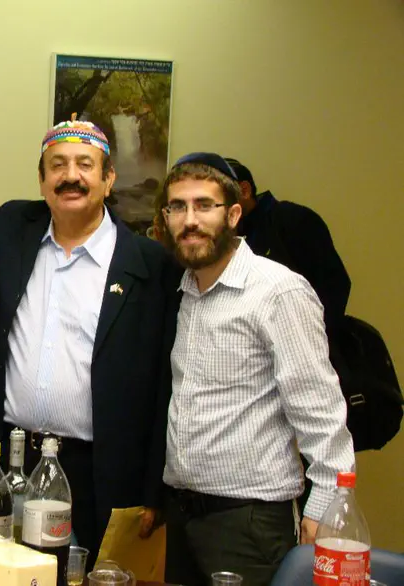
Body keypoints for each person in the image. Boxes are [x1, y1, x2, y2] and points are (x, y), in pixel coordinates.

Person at [0, 119, 179, 564]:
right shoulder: (13, 230)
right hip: (12, 459)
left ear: (109, 178)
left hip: (100, 470)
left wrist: (153, 488)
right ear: (41, 179)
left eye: (85, 165)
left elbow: (164, 384)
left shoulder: (148, 264)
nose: (71, 176)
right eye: (57, 165)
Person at [159, 152, 355, 586]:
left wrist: (325, 507)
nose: (190, 220)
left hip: (249, 522)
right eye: (178, 207)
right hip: (185, 515)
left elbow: (321, 410)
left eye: (204, 205)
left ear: (232, 215)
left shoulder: (278, 291)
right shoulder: (186, 290)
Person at [224, 157, 350, 331]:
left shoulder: (294, 220)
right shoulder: (222, 236)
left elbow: (333, 286)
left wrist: (309, 335)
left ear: (244, 190)